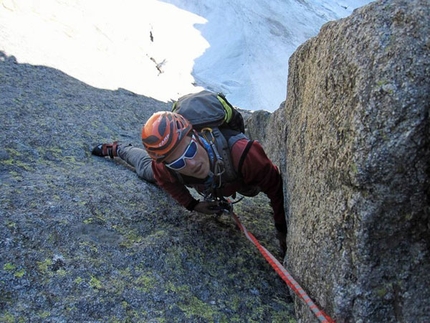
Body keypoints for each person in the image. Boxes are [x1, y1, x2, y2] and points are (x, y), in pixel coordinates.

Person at [92, 111, 287, 255]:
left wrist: (281, 230)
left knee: (252, 188)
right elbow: (163, 180)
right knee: (145, 169)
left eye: (190, 150)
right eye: (178, 162)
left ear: (196, 136)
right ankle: (118, 149)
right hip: (217, 178)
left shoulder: (242, 153)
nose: (191, 164)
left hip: (236, 174)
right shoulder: (166, 168)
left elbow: (274, 185)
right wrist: (192, 204)